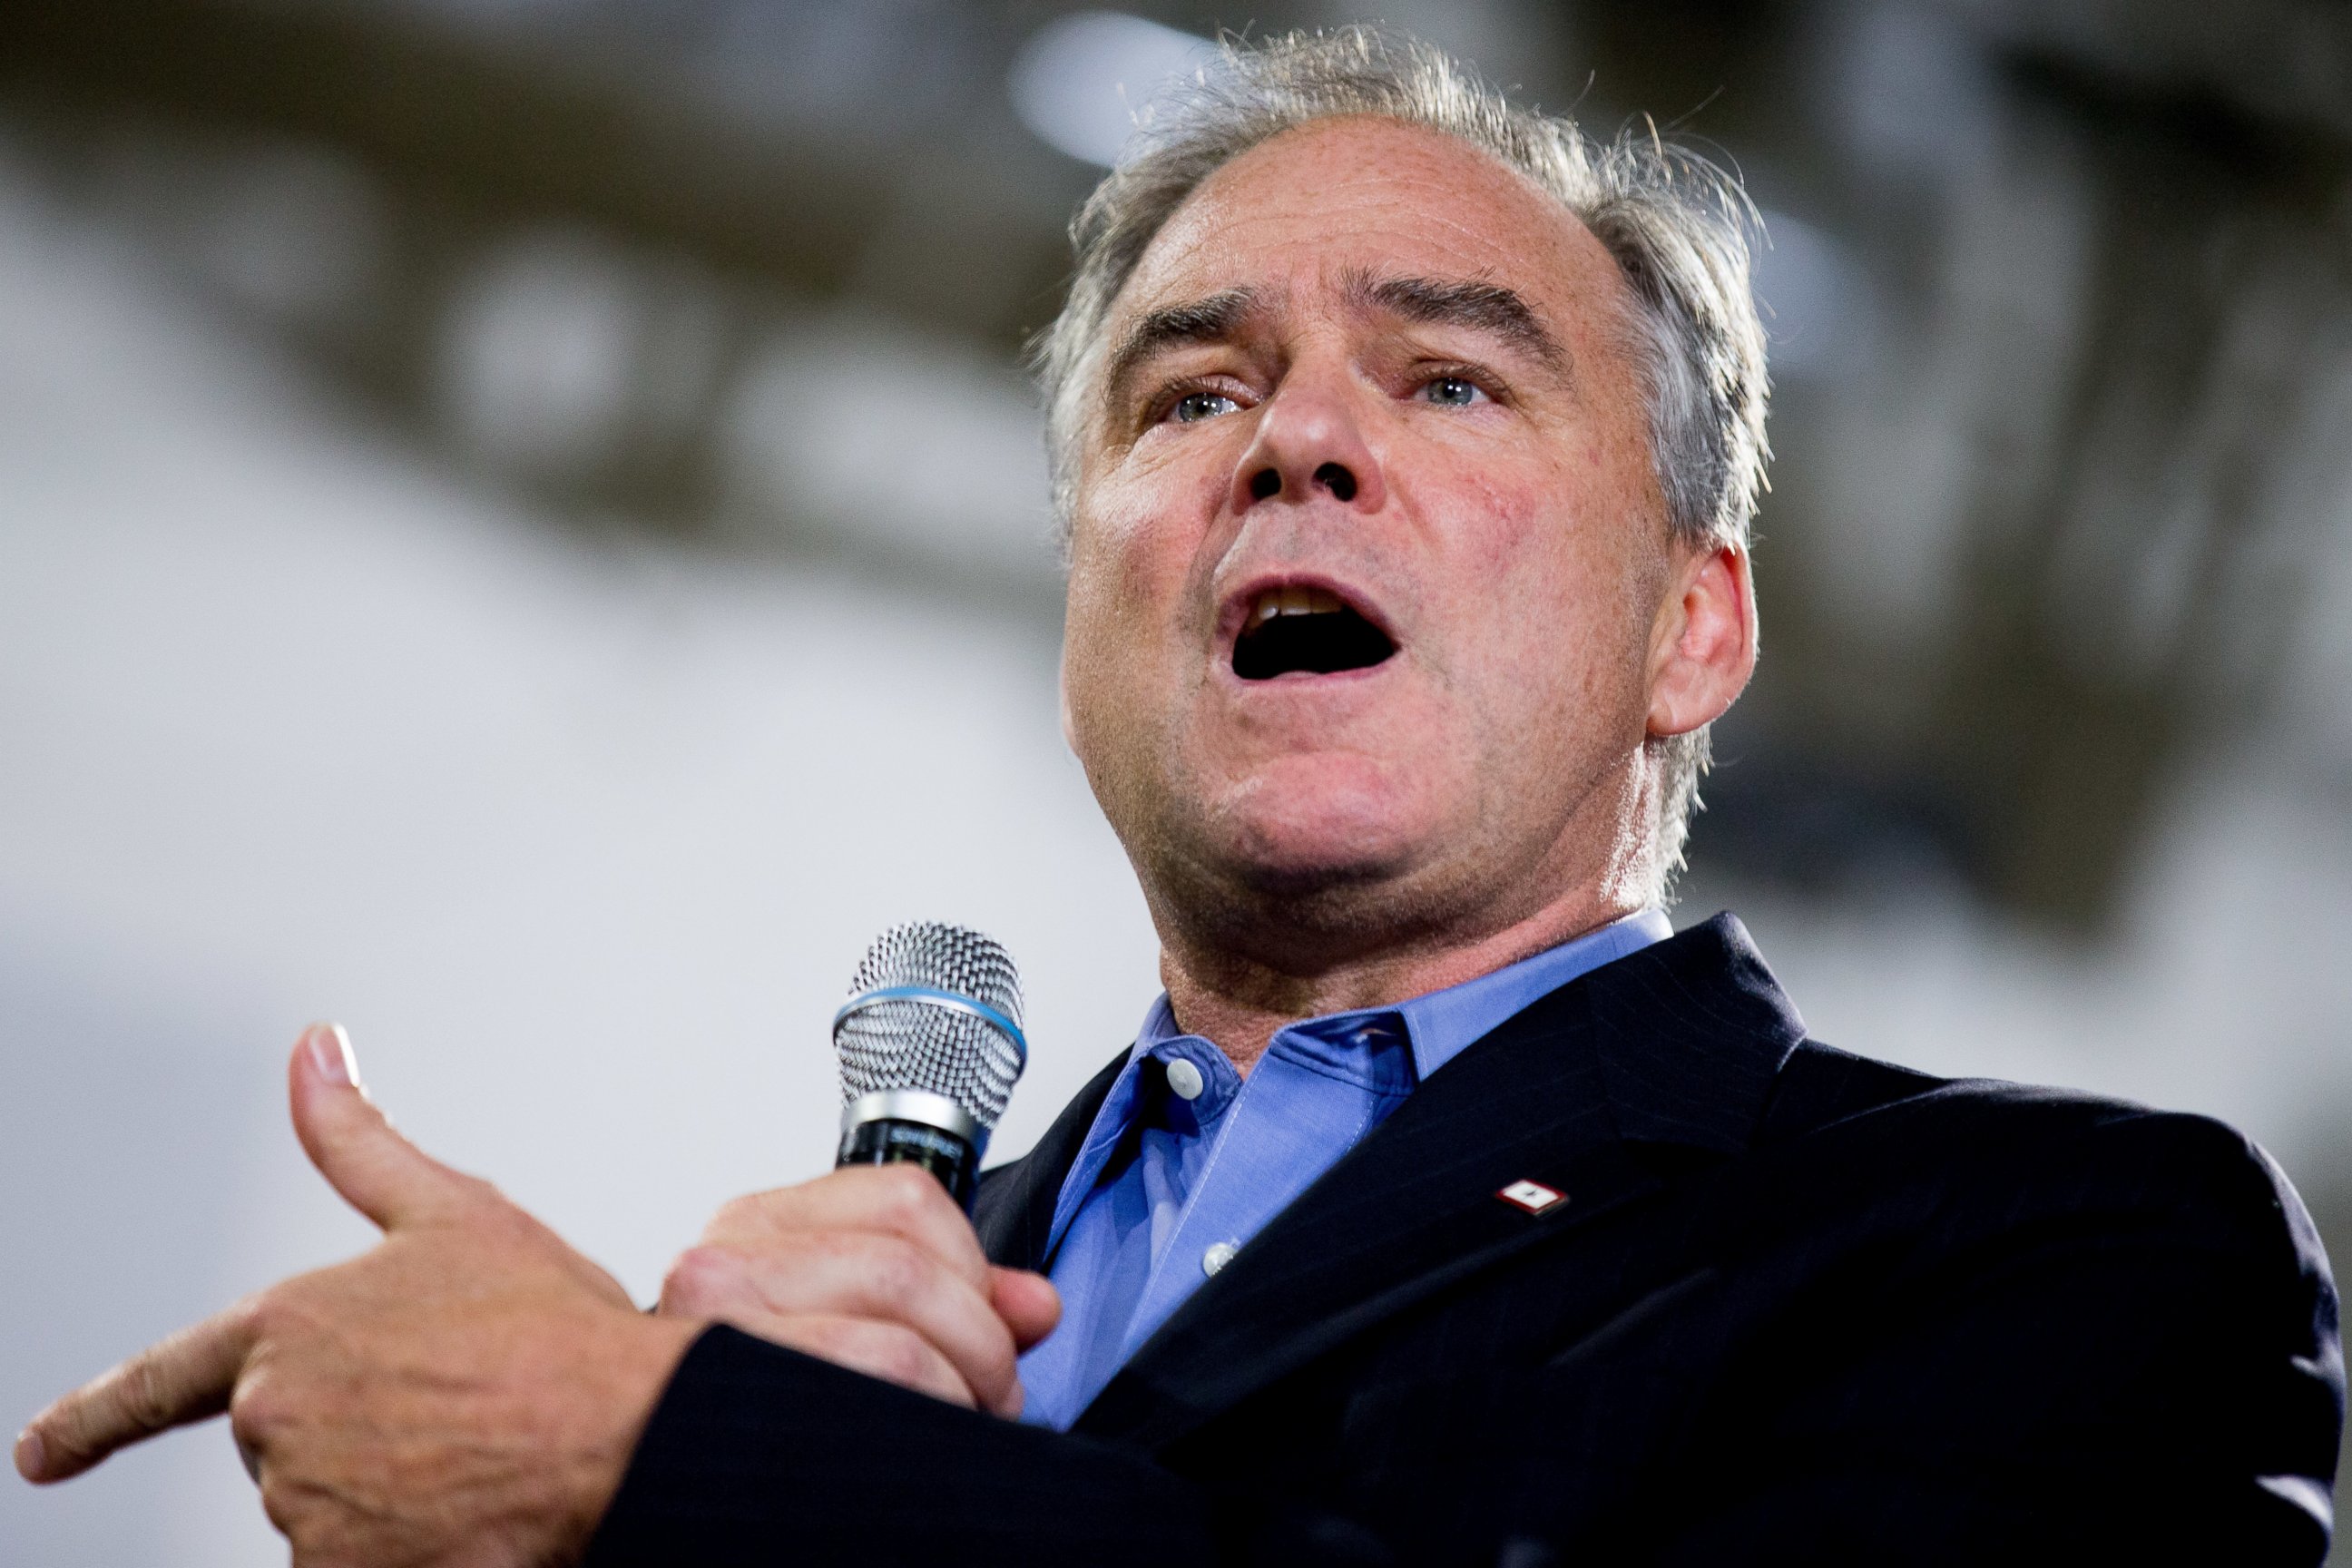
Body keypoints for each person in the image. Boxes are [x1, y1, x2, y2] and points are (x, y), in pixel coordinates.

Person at [15, 28, 2342, 1566]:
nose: (1292, 440)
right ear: (1084, 625)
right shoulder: (850, 1309)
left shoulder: (2074, 1251)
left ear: (1690, 629)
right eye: (1182, 396)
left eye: (1447, 377)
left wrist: (683, 1470)